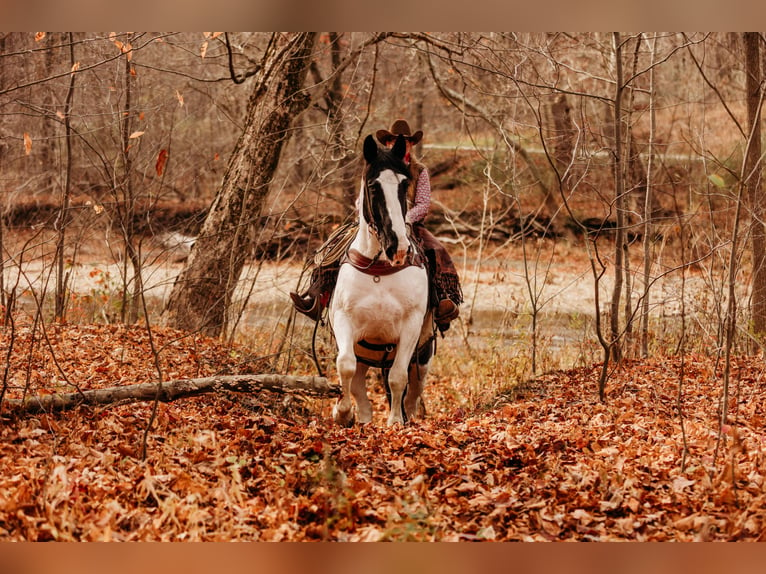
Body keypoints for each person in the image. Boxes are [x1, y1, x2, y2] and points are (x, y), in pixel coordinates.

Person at [290, 119, 462, 332]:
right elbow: (362, 199)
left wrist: (403, 219)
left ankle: (442, 302)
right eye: (392, 140)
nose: (397, 144)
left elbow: (423, 203)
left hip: (409, 223)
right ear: (387, 142)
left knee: (437, 251)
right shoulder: (375, 165)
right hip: (374, 222)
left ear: (410, 144)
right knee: (331, 248)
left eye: (404, 141)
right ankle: (318, 299)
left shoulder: (419, 171)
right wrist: (370, 217)